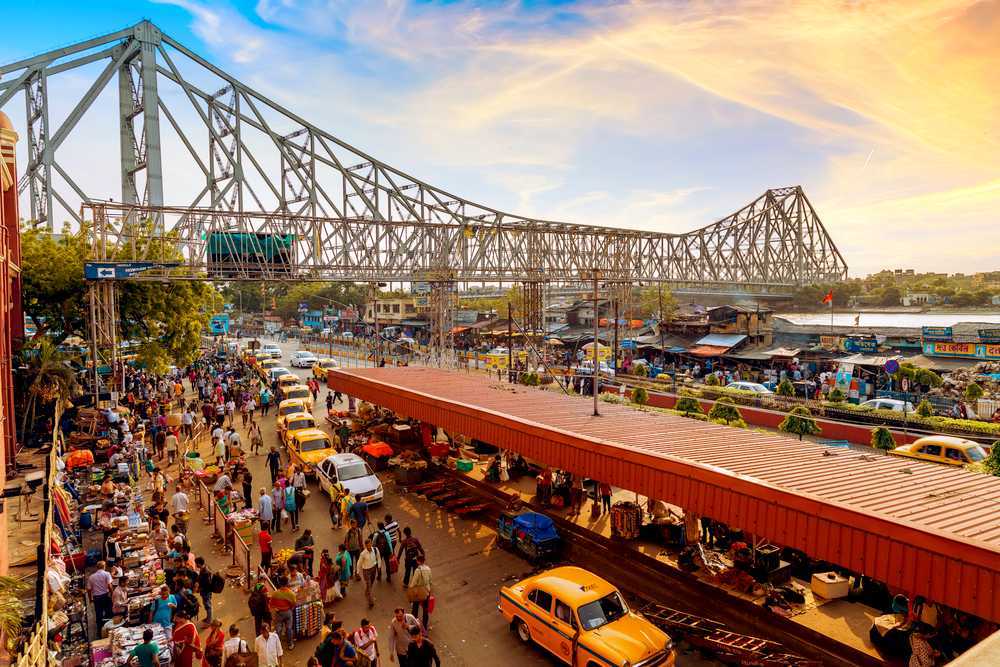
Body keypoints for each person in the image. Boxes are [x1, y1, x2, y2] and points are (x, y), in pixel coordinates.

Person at [268, 577, 297, 649]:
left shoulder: (275, 594)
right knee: (289, 628)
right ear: (287, 583)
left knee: (278, 629)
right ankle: (290, 644)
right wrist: (290, 609)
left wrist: (276, 609)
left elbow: (271, 604)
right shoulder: (291, 593)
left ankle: (278, 646)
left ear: (280, 583)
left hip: (279, 613)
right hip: (288, 612)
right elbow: (294, 604)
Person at [407, 554, 432, 630]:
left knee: (415, 608)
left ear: (418, 561)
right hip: (427, 591)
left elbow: (413, 583)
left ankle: (414, 624)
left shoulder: (418, 570)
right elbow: (430, 581)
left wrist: (410, 589)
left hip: (419, 592)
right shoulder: (428, 568)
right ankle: (425, 625)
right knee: (425, 609)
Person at [87, 560, 114, 628]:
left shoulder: (91, 577)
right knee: (108, 611)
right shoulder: (107, 574)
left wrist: (90, 599)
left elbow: (89, 589)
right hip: (105, 595)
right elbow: (109, 585)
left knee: (99, 613)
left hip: (97, 598)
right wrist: (112, 594)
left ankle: (100, 628)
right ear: (104, 566)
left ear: (97, 567)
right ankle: (109, 627)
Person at [357, 538, 380, 608]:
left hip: (373, 569)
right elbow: (359, 563)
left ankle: (367, 592)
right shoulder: (363, 554)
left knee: (371, 583)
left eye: (370, 544)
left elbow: (378, 558)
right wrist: (357, 571)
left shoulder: (375, 550)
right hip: (366, 571)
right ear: (366, 546)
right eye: (368, 545)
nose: (369, 546)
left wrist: (379, 566)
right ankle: (370, 601)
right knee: (369, 584)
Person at [195, 557, 215, 624]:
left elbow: (207, 584)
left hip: (206, 592)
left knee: (208, 606)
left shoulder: (205, 572)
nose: (196, 565)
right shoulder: (204, 568)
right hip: (206, 591)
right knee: (207, 605)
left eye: (196, 563)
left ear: (199, 563)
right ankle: (208, 617)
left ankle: (209, 621)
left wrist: (199, 589)